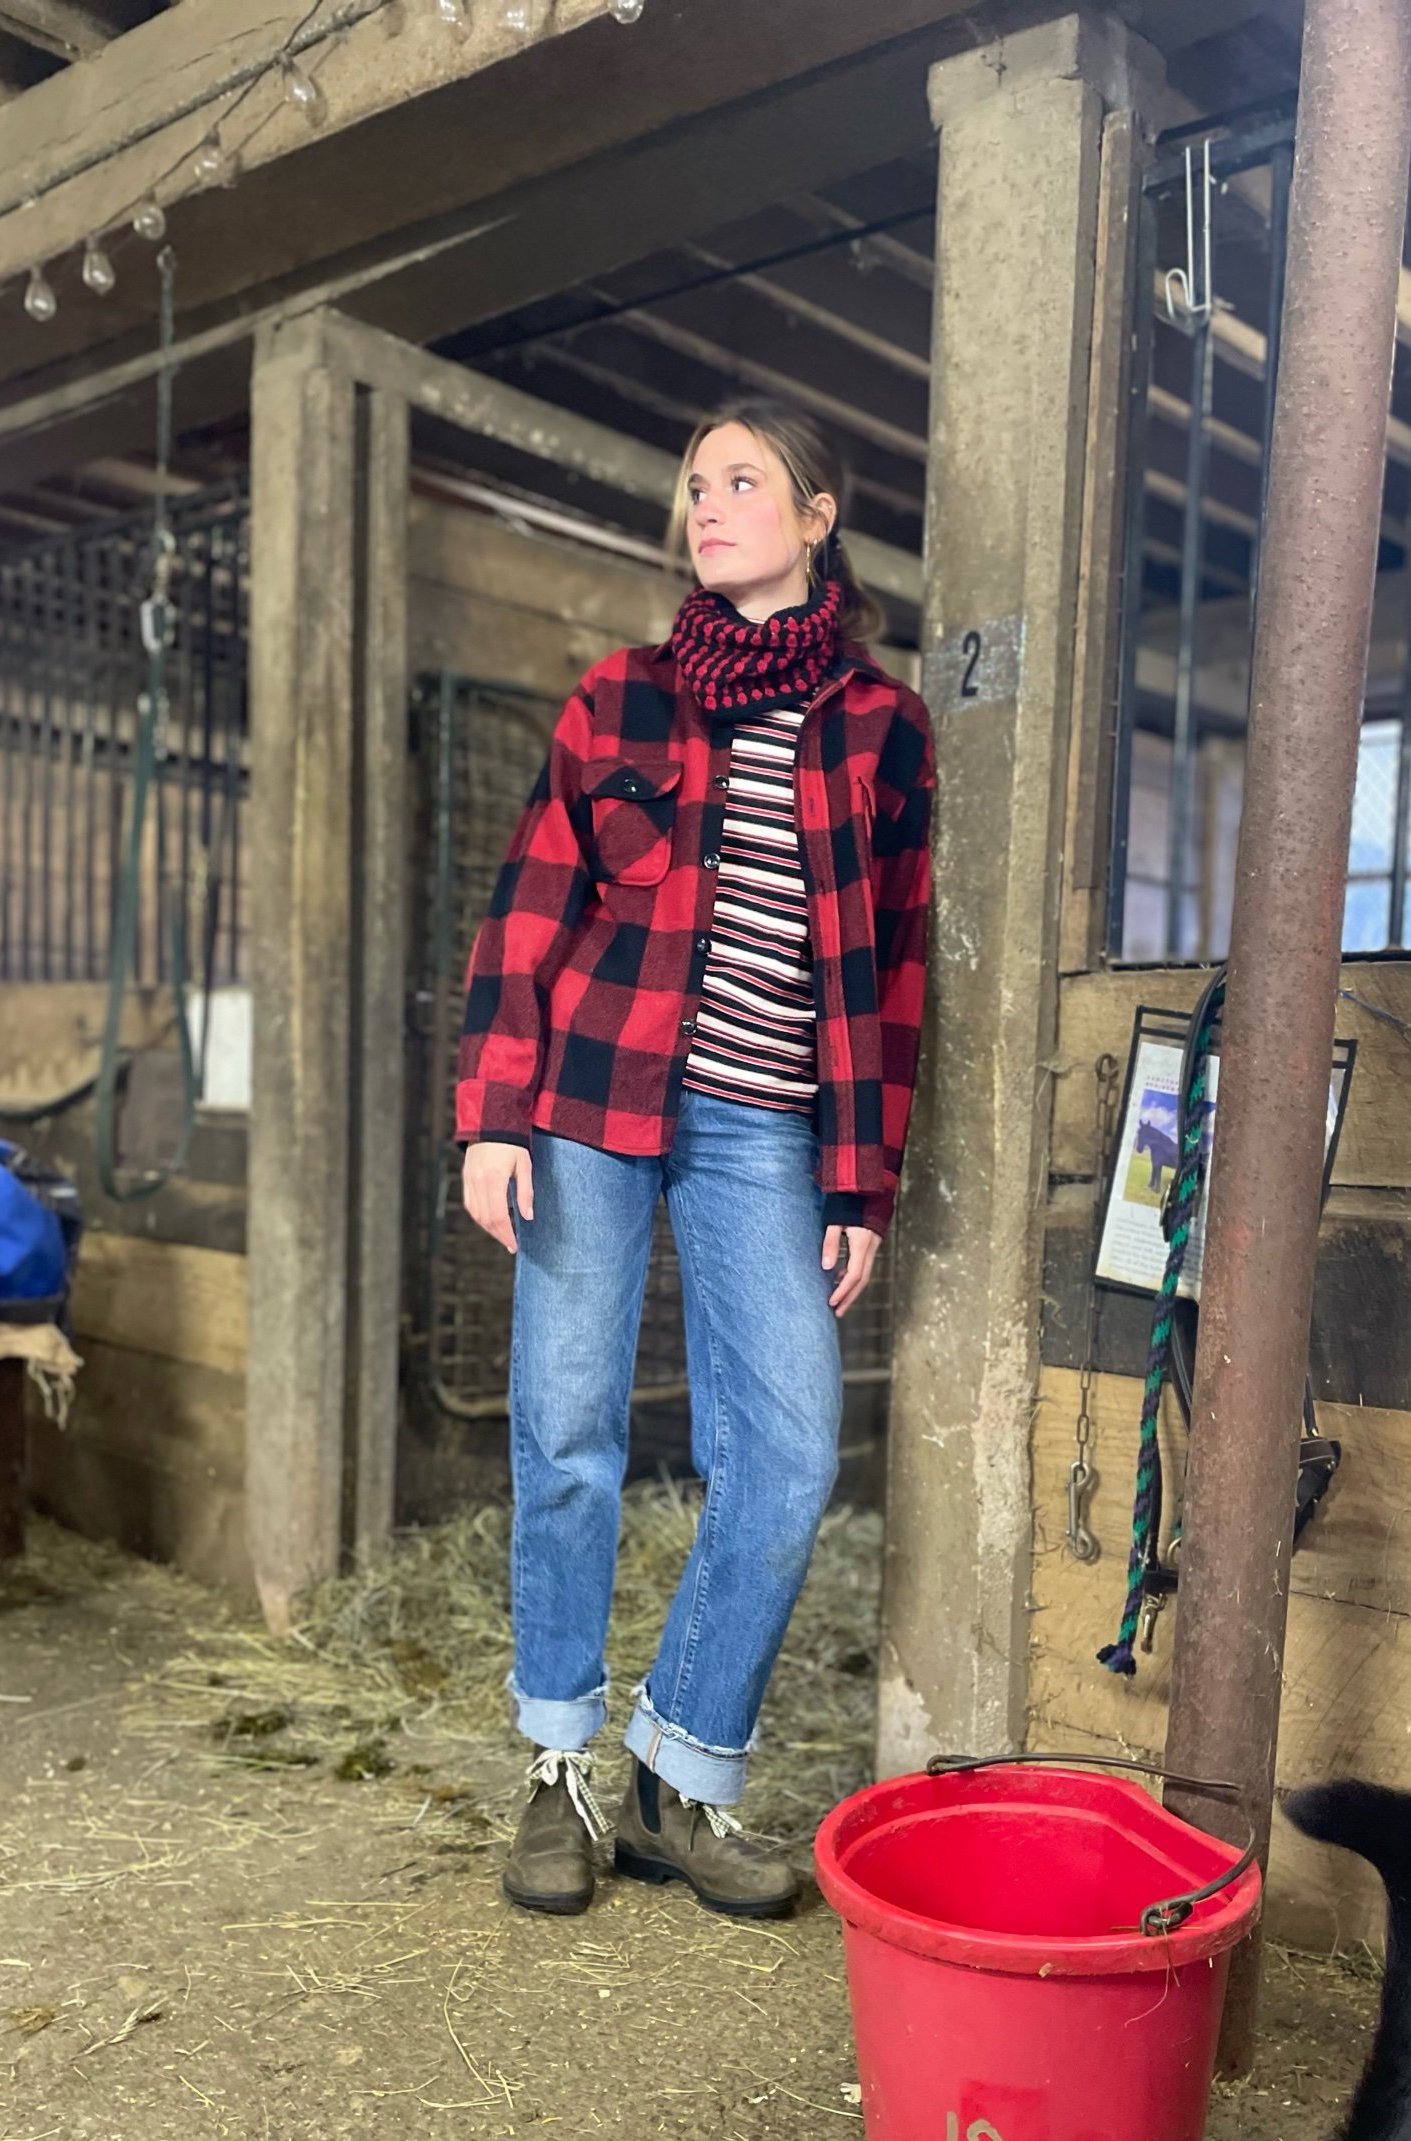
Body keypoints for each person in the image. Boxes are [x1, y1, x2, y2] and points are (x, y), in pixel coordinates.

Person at [454, 396, 935, 1921]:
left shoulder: (885, 731)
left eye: (743, 481)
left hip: (762, 1129)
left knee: (788, 1453)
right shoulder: (619, 700)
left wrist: (860, 1179)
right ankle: (557, 1769)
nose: (707, 504)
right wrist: (492, 1112)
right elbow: (530, 908)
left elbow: (895, 972)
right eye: (695, 483)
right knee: (567, 1431)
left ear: (818, 519)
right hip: (589, 1104)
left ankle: (678, 1769)